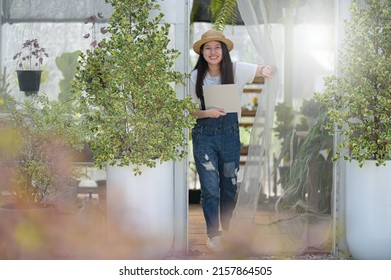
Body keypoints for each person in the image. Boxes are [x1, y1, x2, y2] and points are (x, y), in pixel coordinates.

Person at [189, 29, 275, 252]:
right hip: (204, 135)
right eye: (207, 48)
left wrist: (266, 69)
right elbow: (188, 111)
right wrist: (208, 113)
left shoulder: (236, 70)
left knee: (229, 187)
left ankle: (227, 231)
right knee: (210, 189)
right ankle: (213, 234)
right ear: (202, 53)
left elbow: (259, 69)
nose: (213, 52)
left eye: (217, 47)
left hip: (229, 136)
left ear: (224, 50)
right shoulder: (194, 76)